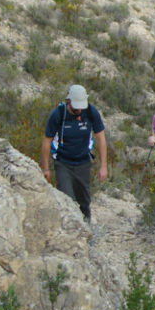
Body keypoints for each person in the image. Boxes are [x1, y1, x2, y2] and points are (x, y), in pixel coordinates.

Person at [41, 84, 108, 222]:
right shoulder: (58, 114)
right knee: (67, 201)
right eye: (76, 106)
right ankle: (69, 231)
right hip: (62, 163)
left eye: (81, 106)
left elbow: (100, 137)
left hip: (83, 163)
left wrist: (103, 166)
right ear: (68, 101)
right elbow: (46, 141)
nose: (79, 109)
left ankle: (86, 226)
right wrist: (46, 168)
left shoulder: (90, 112)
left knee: (84, 201)